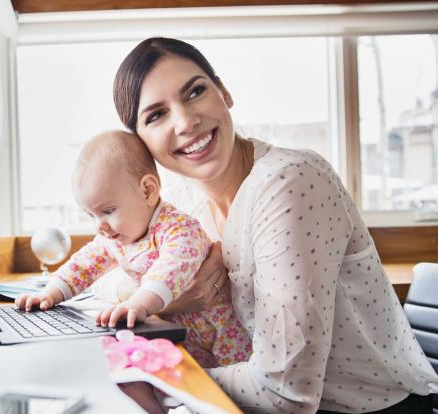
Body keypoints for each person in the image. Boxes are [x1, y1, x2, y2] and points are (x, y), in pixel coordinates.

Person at [112, 37, 438, 413]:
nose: (185, 122)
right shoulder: (186, 203)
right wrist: (182, 296)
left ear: (225, 93)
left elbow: (288, 394)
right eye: (156, 115)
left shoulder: (290, 182)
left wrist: (163, 376)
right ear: (143, 144)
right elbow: (119, 282)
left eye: (196, 91)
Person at [15, 130, 252, 368]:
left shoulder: (179, 228)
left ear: (147, 191)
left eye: (107, 211)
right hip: (176, 333)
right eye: (91, 215)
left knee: (225, 393)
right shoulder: (114, 238)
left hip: (222, 333)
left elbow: (170, 269)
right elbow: (83, 266)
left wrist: (137, 304)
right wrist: (50, 293)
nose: (100, 226)